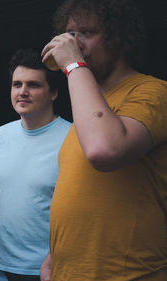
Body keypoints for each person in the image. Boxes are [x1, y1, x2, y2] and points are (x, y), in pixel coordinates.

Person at [41, 0, 167, 279]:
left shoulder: (154, 91)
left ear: (119, 37)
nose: (74, 42)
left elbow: (104, 149)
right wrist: (53, 257)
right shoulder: (89, 110)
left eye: (86, 32)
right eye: (70, 33)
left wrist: (74, 64)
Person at [0, 49, 71, 281]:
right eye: (16, 84)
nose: (22, 92)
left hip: (49, 271)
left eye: (33, 85)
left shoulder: (73, 137)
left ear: (53, 92)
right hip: (0, 269)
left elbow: (83, 211)